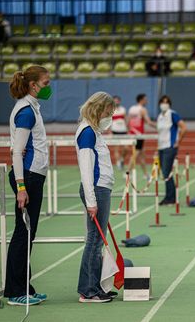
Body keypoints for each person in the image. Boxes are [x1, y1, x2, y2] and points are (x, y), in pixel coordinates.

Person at [6, 65, 51, 305]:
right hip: (29, 178)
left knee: (27, 233)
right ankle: (15, 292)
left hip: (34, 175)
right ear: (33, 85)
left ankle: (25, 286)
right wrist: (21, 187)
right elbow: (16, 152)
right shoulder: (25, 111)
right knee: (23, 233)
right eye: (45, 83)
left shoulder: (31, 108)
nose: (48, 87)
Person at [75, 91, 117, 303]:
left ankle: (95, 286)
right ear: (98, 110)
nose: (109, 117)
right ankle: (88, 290)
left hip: (101, 189)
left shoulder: (93, 131)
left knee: (96, 240)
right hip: (96, 189)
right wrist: (91, 201)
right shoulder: (87, 132)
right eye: (108, 112)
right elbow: (86, 168)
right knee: (94, 240)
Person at [156, 95, 187, 205]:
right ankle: (170, 196)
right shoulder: (160, 116)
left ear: (169, 104)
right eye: (162, 102)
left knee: (166, 172)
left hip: (170, 147)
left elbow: (184, 127)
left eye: (166, 102)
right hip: (161, 147)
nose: (164, 104)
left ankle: (170, 197)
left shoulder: (172, 114)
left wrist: (178, 141)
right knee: (165, 173)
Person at [127, 94, 156, 179]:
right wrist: (159, 127)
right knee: (135, 154)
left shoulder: (132, 109)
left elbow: (128, 122)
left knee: (142, 155)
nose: (146, 101)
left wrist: (130, 131)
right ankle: (128, 172)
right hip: (139, 135)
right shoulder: (143, 110)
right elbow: (149, 122)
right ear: (141, 100)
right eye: (145, 99)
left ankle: (146, 174)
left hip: (133, 133)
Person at [111, 95, 128, 170]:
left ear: (119, 101)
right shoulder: (111, 110)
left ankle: (121, 159)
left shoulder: (123, 109)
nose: (116, 101)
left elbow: (126, 119)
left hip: (123, 130)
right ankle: (118, 162)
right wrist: (109, 131)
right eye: (115, 100)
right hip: (115, 130)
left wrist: (128, 128)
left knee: (126, 148)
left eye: (117, 100)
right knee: (116, 148)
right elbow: (109, 121)